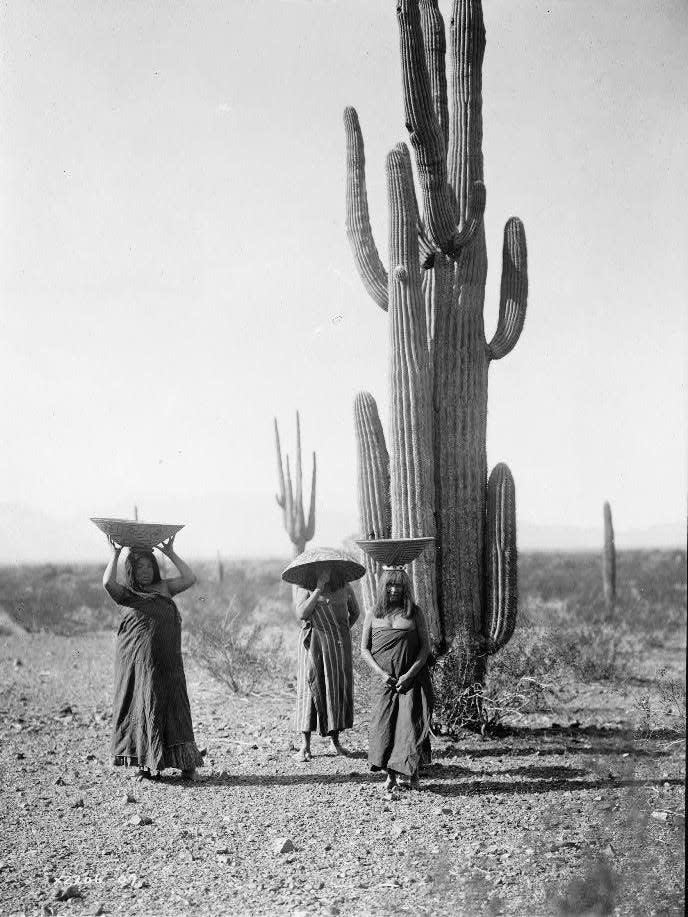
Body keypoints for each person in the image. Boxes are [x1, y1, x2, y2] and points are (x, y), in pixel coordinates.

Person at [102, 534, 204, 781]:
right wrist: (115, 554)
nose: (145, 571)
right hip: (140, 665)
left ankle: (186, 764)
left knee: (174, 705)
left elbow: (190, 578)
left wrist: (170, 553)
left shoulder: (165, 588)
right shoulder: (127, 594)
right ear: (131, 570)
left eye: (149, 565)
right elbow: (107, 582)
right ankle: (144, 764)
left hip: (168, 662)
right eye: (139, 567)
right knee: (141, 704)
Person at [360, 568, 432, 798]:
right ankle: (390, 775)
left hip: (411, 679)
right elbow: (364, 650)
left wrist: (409, 674)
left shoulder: (415, 614)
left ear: (405, 588)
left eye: (399, 586)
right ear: (382, 587)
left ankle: (413, 774)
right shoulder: (373, 613)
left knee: (409, 725)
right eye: (389, 585)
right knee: (384, 726)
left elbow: (425, 648)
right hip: (383, 681)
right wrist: (382, 674)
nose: (394, 589)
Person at [294, 564, 361, 761]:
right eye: (320, 569)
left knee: (335, 690)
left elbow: (355, 612)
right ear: (313, 571)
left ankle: (335, 742)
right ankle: (305, 746)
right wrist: (318, 588)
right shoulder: (304, 588)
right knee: (309, 689)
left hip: (337, 646)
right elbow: (302, 614)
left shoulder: (345, 587)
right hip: (311, 644)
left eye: (328, 568)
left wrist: (340, 631)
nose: (325, 571)